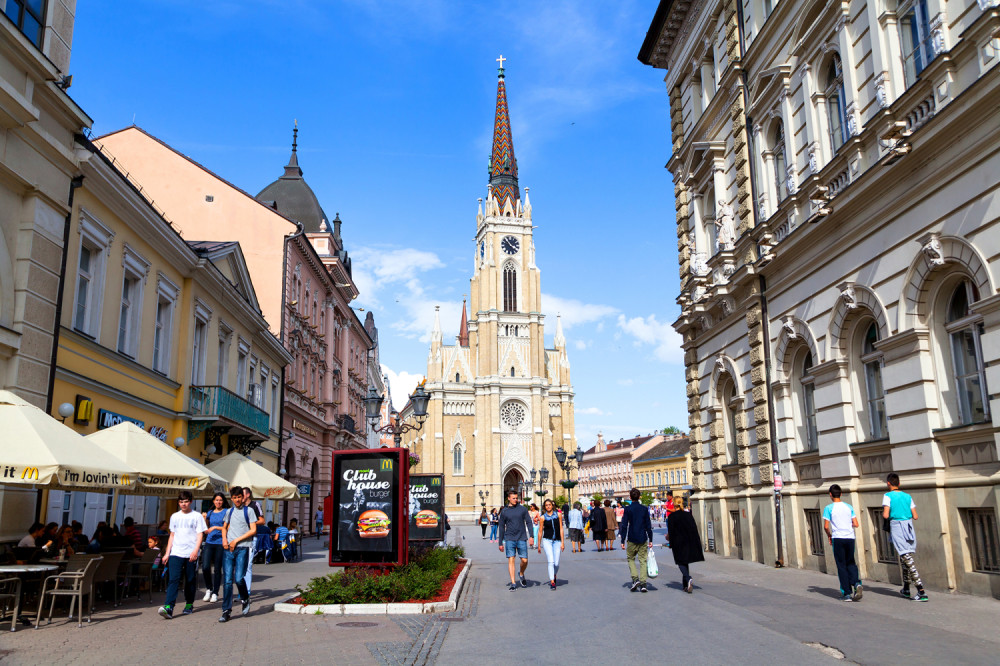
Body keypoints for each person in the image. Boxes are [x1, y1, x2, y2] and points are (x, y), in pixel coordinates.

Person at [158, 490, 208, 619]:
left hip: (191, 552)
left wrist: (196, 550)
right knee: (173, 579)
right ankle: (169, 607)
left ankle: (189, 603)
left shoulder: (196, 516)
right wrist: (167, 553)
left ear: (190, 502)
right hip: (176, 552)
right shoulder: (174, 516)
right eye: (181, 502)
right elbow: (172, 535)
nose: (183, 504)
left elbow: (200, 534)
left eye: (186, 501)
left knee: (190, 579)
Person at [883, 473, 927, 602]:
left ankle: (921, 590)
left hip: (897, 525)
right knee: (904, 557)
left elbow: (886, 515)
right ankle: (906, 588)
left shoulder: (887, 496)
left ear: (888, 483)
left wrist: (890, 512)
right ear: (899, 484)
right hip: (909, 526)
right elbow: (915, 516)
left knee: (905, 556)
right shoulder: (908, 496)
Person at [219, 486, 256, 622]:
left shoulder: (249, 511)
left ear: (243, 497)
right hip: (228, 549)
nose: (237, 500)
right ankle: (226, 610)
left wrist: (236, 540)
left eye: (239, 497)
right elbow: (224, 527)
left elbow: (253, 530)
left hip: (243, 547)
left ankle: (245, 598)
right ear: (231, 498)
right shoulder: (229, 511)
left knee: (239, 578)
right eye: (234, 498)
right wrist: (224, 540)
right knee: (227, 581)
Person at [823, 484, 862, 602]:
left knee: (841, 565)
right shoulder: (848, 506)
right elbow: (856, 524)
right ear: (841, 494)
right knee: (851, 562)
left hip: (838, 538)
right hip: (850, 537)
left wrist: (829, 535)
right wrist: (846, 524)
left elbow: (826, 526)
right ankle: (856, 583)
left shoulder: (828, 508)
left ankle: (847, 593)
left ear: (830, 494)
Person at [497, 490, 535, 590]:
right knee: (511, 559)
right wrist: (500, 542)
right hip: (509, 538)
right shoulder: (504, 511)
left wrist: (531, 536)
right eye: (513, 498)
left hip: (521, 537)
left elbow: (529, 522)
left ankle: (521, 573)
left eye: (516, 498)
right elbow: (501, 527)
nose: (515, 500)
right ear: (508, 498)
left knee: (524, 560)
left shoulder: (522, 509)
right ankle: (513, 583)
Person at [619, 488, 653, 593]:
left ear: (630, 497)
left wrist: (622, 540)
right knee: (643, 560)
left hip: (632, 538)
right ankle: (643, 583)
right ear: (639, 497)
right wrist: (651, 539)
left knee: (630, 559)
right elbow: (648, 525)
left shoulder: (628, 509)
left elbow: (624, 525)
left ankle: (635, 579)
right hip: (643, 537)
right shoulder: (644, 509)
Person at [666, 498, 704, 593]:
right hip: (689, 541)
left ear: (674, 504)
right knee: (685, 561)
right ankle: (685, 585)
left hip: (678, 542)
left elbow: (671, 531)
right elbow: (693, 528)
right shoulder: (688, 515)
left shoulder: (672, 517)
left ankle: (688, 578)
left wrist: (668, 538)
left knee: (680, 561)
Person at [201, 492, 227, 603]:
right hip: (209, 541)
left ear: (223, 501)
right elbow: (206, 528)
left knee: (217, 568)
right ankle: (209, 588)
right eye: (216, 500)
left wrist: (216, 527)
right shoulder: (210, 513)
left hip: (221, 542)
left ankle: (215, 592)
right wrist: (203, 519)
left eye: (220, 500)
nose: (218, 502)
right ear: (213, 501)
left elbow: (228, 528)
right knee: (205, 566)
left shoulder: (226, 512)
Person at [536, 499, 565, 590]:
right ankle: (552, 581)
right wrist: (539, 544)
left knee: (556, 563)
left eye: (549, 505)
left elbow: (561, 528)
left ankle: (554, 574)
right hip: (547, 540)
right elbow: (540, 531)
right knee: (551, 561)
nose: (548, 506)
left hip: (557, 541)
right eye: (546, 505)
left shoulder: (558, 515)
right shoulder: (542, 517)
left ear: (552, 506)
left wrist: (562, 542)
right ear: (545, 507)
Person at [242, 488, 265, 595]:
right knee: (240, 565)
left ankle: (246, 592)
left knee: (248, 565)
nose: (240, 497)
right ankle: (242, 591)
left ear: (248, 495)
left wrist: (250, 522)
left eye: (242, 494)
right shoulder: (239, 506)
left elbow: (262, 521)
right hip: (240, 538)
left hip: (251, 538)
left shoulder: (255, 505)